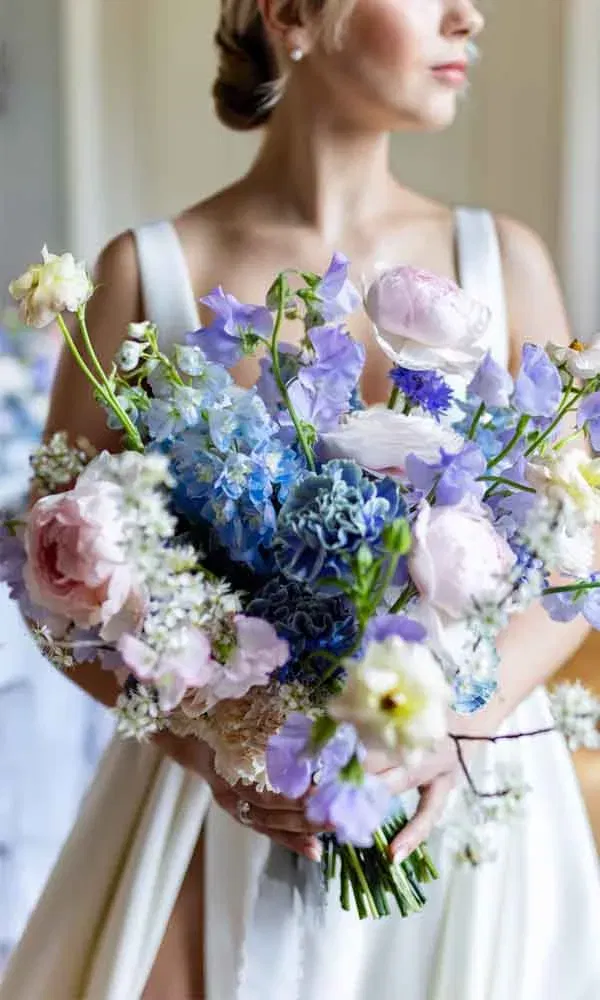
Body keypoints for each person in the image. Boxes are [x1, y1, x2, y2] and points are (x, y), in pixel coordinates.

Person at [2, 1, 600, 997]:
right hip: (214, 817)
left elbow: (581, 550)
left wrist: (456, 724)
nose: (471, 15)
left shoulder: (506, 260)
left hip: (462, 813)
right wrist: (209, 744)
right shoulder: (149, 276)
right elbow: (46, 584)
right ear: (291, 16)